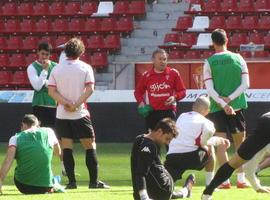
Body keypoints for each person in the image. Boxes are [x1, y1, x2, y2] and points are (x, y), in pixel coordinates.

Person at [48, 38, 109, 189]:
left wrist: (65, 103)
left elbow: (51, 91)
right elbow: (90, 89)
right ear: (81, 52)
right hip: (80, 113)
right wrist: (76, 103)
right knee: (90, 146)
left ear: (65, 51)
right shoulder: (85, 67)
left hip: (62, 114)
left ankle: (72, 183)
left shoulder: (56, 69)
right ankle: (93, 182)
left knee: (67, 147)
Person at [203, 29, 250, 188]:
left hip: (217, 108)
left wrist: (223, 104)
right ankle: (241, 179)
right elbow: (246, 84)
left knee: (221, 144)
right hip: (237, 106)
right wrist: (230, 100)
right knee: (240, 145)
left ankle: (225, 181)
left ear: (213, 42)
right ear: (226, 40)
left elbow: (209, 90)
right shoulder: (238, 58)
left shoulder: (208, 62)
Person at [202, 112, 270, 200]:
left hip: (264, 120)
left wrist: (257, 186)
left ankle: (207, 194)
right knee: (234, 163)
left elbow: (247, 167)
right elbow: (248, 168)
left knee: (233, 163)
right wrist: (257, 186)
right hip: (265, 122)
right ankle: (208, 193)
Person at [165, 97, 230, 187]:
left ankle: (181, 189)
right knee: (210, 147)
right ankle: (209, 185)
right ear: (208, 111)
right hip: (192, 158)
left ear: (193, 106)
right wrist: (219, 141)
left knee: (164, 188)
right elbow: (204, 143)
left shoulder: (182, 116)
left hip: (172, 157)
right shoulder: (208, 123)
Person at [131, 118, 195, 200]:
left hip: (163, 188)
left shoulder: (140, 140)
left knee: (169, 193)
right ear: (159, 132)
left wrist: (142, 196)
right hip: (161, 187)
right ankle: (186, 190)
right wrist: (143, 196)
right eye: (167, 138)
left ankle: (186, 190)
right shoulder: (148, 145)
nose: (167, 143)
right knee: (171, 193)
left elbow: (140, 173)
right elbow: (140, 172)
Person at [0, 114, 61, 194]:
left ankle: (53, 183)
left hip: (23, 186)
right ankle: (53, 184)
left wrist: (0, 181)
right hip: (45, 187)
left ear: (23, 125)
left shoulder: (15, 138)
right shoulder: (49, 132)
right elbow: (58, 152)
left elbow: (8, 160)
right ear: (37, 124)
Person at [134, 49, 186, 131]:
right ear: (153, 60)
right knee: (151, 140)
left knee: (168, 141)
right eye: (160, 59)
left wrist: (175, 97)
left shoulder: (173, 73)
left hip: (169, 112)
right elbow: (138, 92)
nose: (162, 61)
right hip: (152, 112)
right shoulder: (146, 75)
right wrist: (141, 102)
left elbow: (182, 91)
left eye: (164, 59)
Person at [27, 42, 57, 128]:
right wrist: (45, 71)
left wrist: (46, 83)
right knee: (39, 133)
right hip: (39, 104)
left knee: (54, 135)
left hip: (54, 104)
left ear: (50, 55)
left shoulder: (55, 66)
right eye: (42, 53)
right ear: (38, 52)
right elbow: (37, 86)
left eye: (47, 54)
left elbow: (59, 85)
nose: (44, 57)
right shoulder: (32, 67)